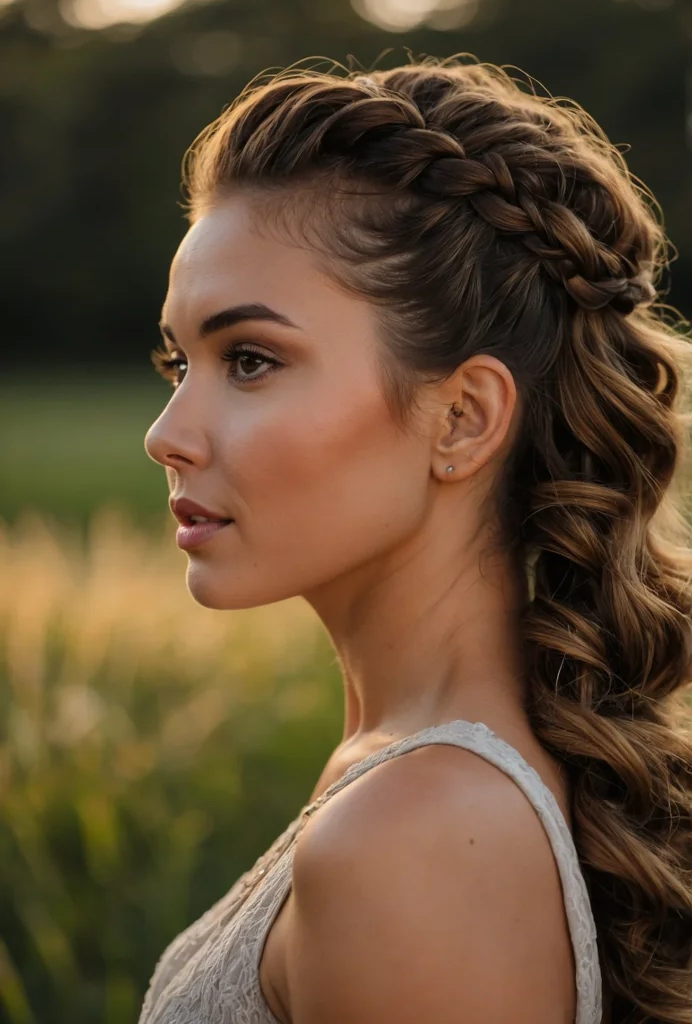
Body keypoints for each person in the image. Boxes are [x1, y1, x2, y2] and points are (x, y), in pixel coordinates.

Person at [140, 53, 692, 1024]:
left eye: (252, 360)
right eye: (177, 362)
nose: (167, 435)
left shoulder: (417, 839)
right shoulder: (399, 775)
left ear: (462, 419)